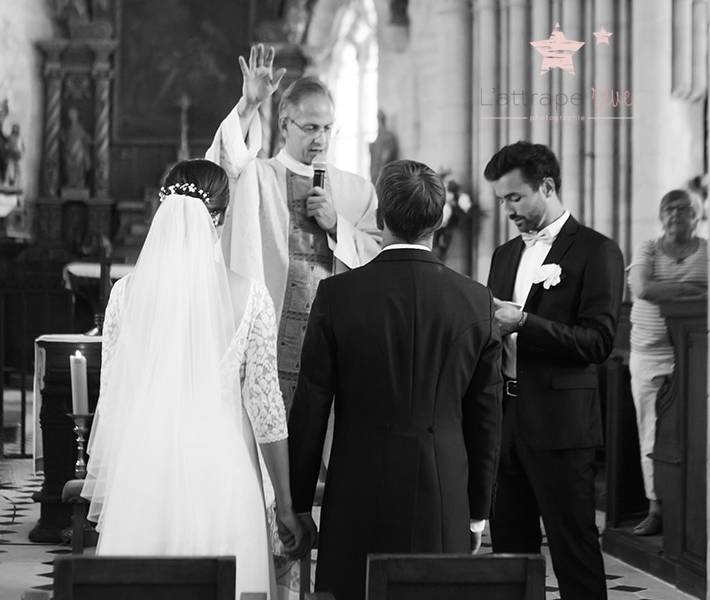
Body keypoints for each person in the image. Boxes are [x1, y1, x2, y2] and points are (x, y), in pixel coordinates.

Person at [80, 159, 304, 599]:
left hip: (146, 470)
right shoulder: (251, 296)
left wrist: (123, 478)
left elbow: (111, 402)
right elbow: (266, 410)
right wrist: (286, 503)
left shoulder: (125, 295)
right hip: (223, 474)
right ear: (217, 219)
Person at [287, 159, 504, 600]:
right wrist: (477, 513)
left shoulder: (337, 296)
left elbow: (310, 406)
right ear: (438, 220)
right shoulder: (475, 302)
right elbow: (487, 420)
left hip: (356, 490)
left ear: (381, 217)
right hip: (442, 493)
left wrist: (298, 504)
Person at [206, 43, 381, 413]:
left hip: (338, 343)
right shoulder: (258, 177)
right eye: (311, 128)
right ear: (285, 124)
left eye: (328, 128)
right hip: (272, 341)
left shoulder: (357, 190)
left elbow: (379, 259)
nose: (321, 138)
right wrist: (249, 106)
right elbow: (225, 167)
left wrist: (338, 228)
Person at [485, 141, 625, 600]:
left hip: (563, 428)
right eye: (502, 200)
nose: (507, 209)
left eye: (515, 197)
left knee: (575, 553)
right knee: (510, 558)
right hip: (506, 427)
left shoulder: (597, 251)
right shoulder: (505, 255)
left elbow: (598, 342)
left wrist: (526, 322)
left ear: (546, 186)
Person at [627, 189, 708, 536]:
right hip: (649, 353)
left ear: (698, 215)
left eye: (685, 208)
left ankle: (694, 508)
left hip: (694, 354)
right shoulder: (648, 248)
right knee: (651, 433)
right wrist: (692, 290)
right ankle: (656, 507)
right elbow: (643, 288)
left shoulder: (706, 252)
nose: (677, 214)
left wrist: (669, 289)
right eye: (670, 208)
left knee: (697, 435)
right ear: (661, 217)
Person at [62, 108, 92, 189]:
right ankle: (71, 182)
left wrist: (90, 140)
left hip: (78, 150)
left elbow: (85, 137)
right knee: (69, 167)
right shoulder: (68, 128)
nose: (71, 117)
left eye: (73, 115)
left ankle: (80, 182)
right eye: (70, 115)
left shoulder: (79, 128)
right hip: (69, 151)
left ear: (76, 116)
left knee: (79, 168)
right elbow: (66, 139)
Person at [369, 109, 399, 184]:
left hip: (383, 174)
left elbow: (386, 156)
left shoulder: (388, 137)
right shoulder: (377, 138)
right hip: (374, 174)